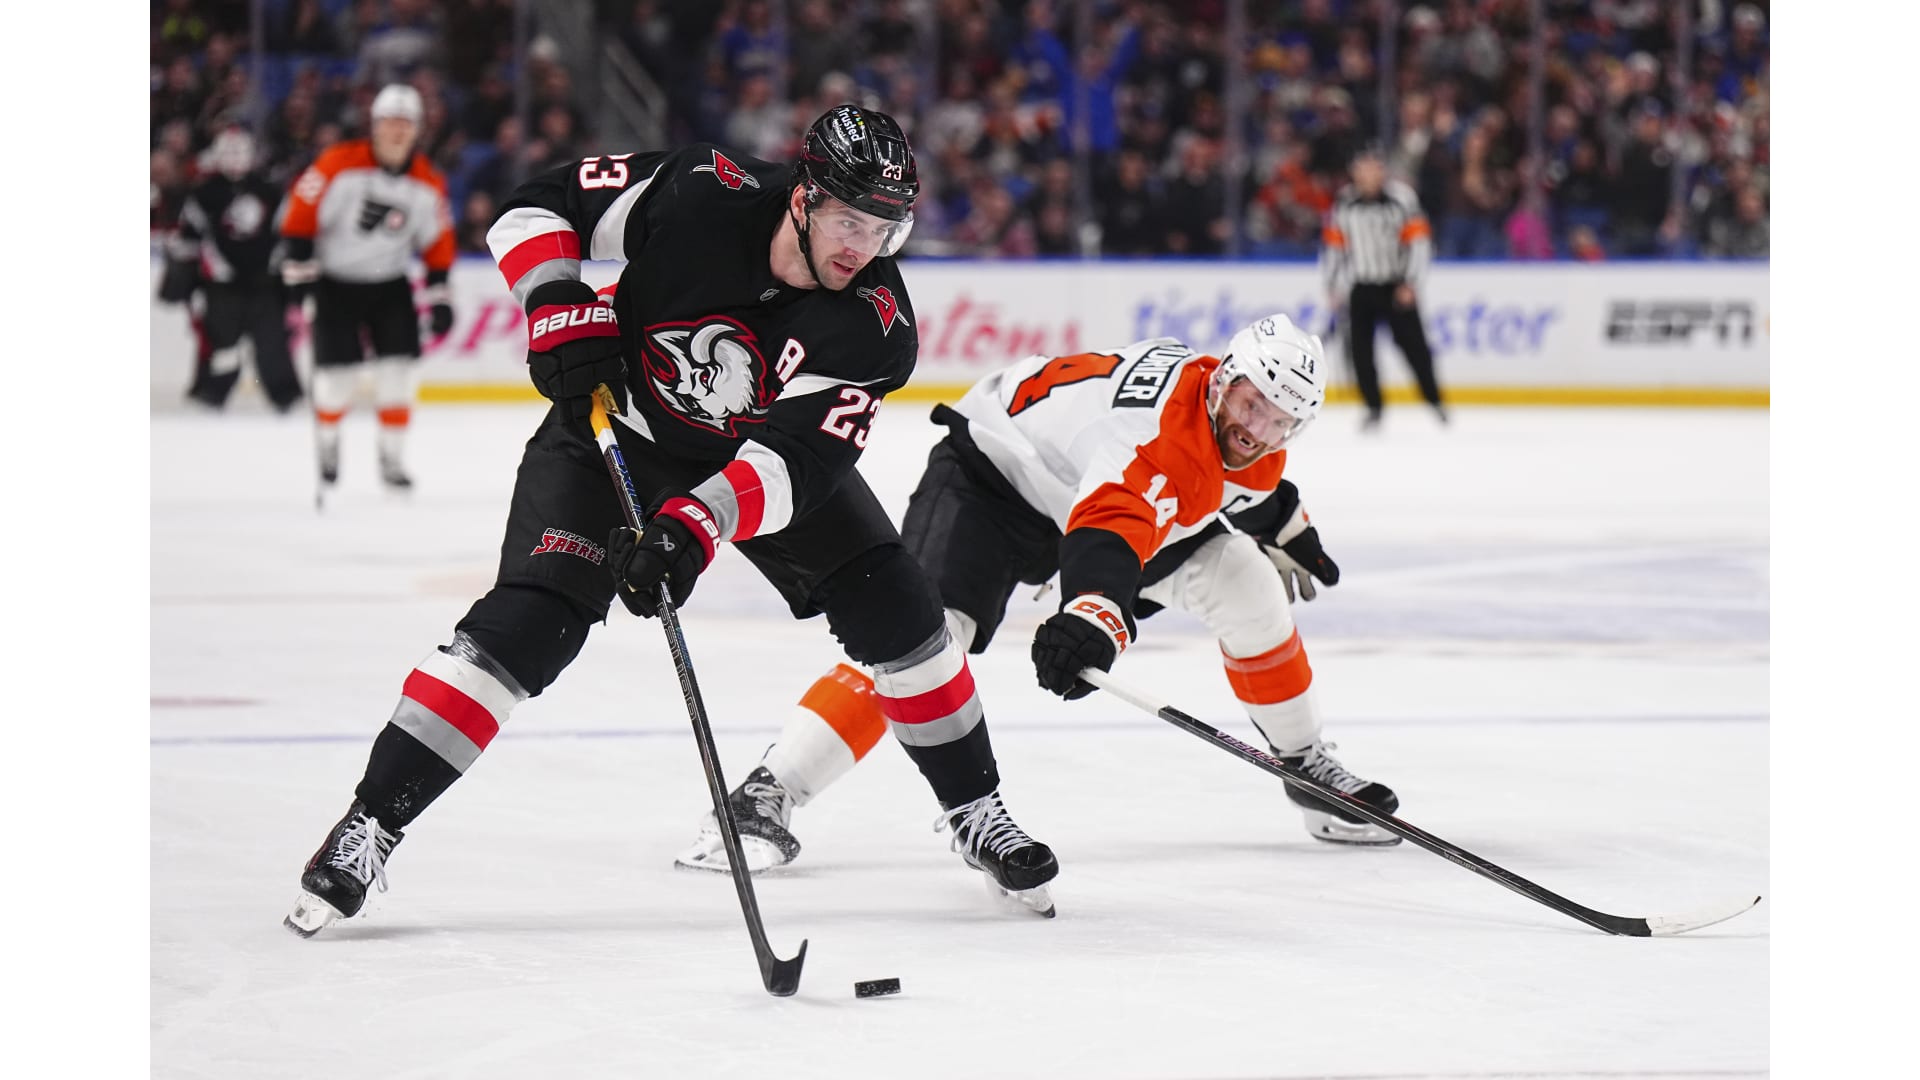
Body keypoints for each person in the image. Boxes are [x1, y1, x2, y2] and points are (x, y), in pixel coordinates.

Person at [284, 104, 1061, 938]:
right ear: (803, 196)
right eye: (848, 220)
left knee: (903, 612)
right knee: (526, 627)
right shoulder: (701, 189)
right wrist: (554, 298)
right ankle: (370, 824)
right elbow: (537, 204)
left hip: (755, 463)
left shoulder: (876, 325)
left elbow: (792, 466)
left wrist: (690, 527)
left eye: (883, 229)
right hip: (613, 434)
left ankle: (976, 810)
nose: (861, 248)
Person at [676, 315, 1404, 877]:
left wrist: (1286, 521)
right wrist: (1094, 616)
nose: (1257, 429)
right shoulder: (1156, 435)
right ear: (1224, 382)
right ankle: (767, 792)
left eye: (1280, 420)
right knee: (921, 641)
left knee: (1247, 582)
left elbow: (1235, 483)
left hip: (1081, 497)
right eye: (1251, 405)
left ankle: (1304, 765)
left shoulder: (1231, 424)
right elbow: (1109, 529)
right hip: (994, 481)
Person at [278, 83, 455, 497]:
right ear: (374, 125)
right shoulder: (337, 164)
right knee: (337, 379)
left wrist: (440, 296)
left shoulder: (428, 181)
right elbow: (300, 218)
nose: (397, 130)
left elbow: (438, 243)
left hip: (390, 285)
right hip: (335, 283)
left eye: (405, 122)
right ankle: (327, 444)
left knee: (399, 374)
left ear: (417, 129)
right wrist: (299, 280)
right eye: (390, 121)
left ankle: (392, 459)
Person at [157, 125, 304, 412]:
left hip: (264, 285)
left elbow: (288, 234)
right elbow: (189, 239)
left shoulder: (270, 190)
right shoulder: (203, 193)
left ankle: (286, 397)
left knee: (273, 343)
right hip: (221, 287)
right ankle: (209, 395)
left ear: (252, 155)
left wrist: (291, 278)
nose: (235, 157)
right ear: (217, 155)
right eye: (229, 151)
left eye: (241, 151)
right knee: (220, 344)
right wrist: (180, 276)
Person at [1320, 144, 1445, 431]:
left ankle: (1434, 400)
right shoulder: (1345, 203)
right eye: (1362, 168)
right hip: (1362, 286)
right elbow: (1335, 247)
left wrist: (1411, 282)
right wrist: (1333, 286)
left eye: (1373, 167)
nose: (1368, 174)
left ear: (1382, 170)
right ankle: (1373, 406)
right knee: (1361, 351)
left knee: (1415, 348)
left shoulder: (1402, 199)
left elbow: (1419, 244)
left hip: (1395, 286)